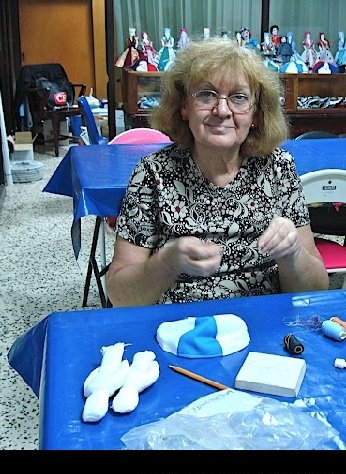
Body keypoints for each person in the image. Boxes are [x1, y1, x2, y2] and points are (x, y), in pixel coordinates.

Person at [105, 38, 329, 306]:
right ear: (184, 107)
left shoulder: (278, 168)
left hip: (262, 327)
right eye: (206, 94)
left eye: (238, 98)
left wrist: (292, 254)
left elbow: (316, 288)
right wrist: (165, 262)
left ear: (255, 115)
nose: (222, 110)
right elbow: (119, 295)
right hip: (179, 332)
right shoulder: (153, 174)